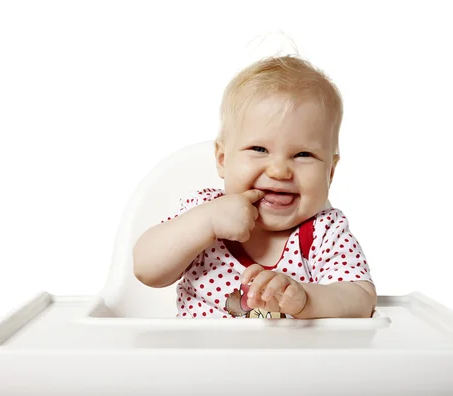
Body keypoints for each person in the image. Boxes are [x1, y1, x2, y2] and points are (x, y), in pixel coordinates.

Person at [133, 55, 376, 319]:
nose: (279, 171)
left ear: (330, 171)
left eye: (303, 154)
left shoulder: (324, 232)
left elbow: (360, 298)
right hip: (201, 358)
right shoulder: (204, 210)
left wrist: (306, 299)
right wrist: (207, 223)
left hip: (292, 362)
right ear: (223, 160)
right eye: (259, 149)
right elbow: (146, 268)